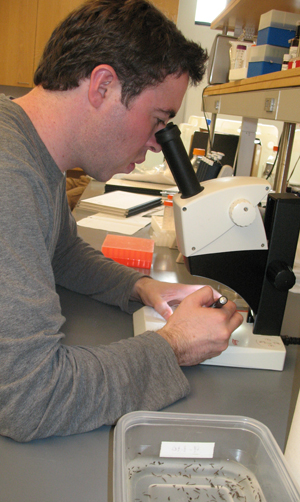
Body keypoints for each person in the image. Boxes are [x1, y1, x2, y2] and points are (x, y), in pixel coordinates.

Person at [0, 0, 242, 442]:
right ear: (103, 86)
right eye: (158, 121)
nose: (156, 144)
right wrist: (174, 345)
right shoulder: (8, 174)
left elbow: (61, 251)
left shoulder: (30, 149)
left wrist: (141, 286)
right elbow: (31, 398)